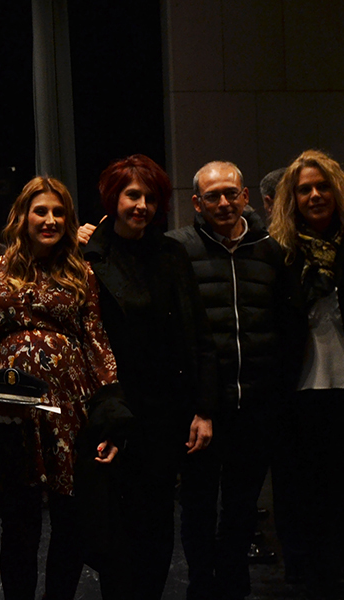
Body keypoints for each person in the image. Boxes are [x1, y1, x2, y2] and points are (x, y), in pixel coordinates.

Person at [82, 155, 218, 599]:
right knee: (115, 533)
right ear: (112, 198)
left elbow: (197, 333)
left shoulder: (171, 253)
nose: (141, 205)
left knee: (158, 529)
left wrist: (203, 408)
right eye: (132, 195)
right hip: (112, 412)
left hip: (165, 415)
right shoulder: (88, 254)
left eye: (150, 197)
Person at [0, 176, 122, 600]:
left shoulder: (82, 272)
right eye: (40, 211)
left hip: (69, 407)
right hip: (14, 408)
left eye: (59, 212)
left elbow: (97, 340)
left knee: (71, 517)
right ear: (22, 216)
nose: (50, 219)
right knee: (18, 519)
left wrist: (112, 412)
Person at [166, 160, 297, 599]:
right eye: (212, 196)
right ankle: (202, 589)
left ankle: (234, 589)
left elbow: (284, 326)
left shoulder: (271, 250)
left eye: (230, 193)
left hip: (257, 407)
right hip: (201, 410)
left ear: (244, 196)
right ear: (196, 202)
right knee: (199, 509)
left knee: (242, 510)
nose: (223, 202)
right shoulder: (177, 248)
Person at [268, 149, 344, 592]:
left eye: (322, 186)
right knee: (298, 494)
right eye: (304, 189)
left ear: (338, 191)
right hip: (296, 390)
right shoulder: (277, 254)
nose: (315, 195)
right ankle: (306, 578)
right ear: (292, 198)